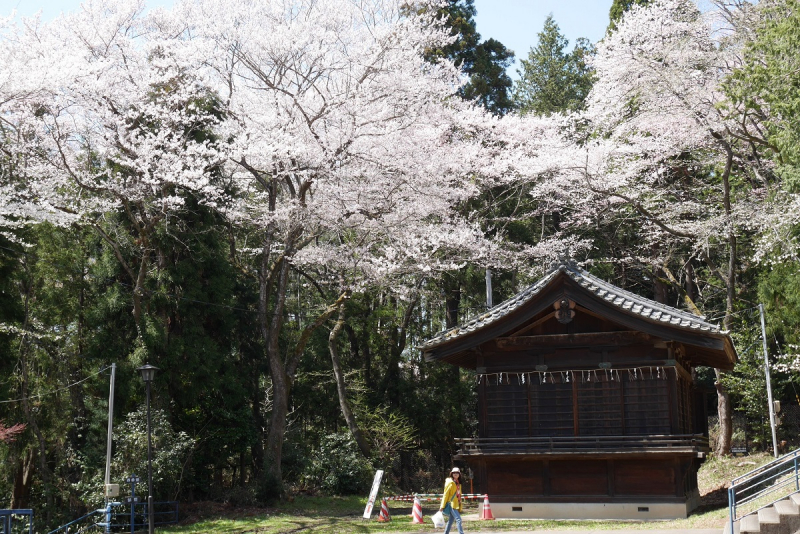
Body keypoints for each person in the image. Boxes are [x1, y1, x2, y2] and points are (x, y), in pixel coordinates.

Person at [439, 467, 464, 534]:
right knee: (458, 520)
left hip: (456, 504)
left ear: (459, 474)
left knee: (450, 521)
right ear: (452, 474)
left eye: (457, 473)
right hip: (451, 504)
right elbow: (445, 495)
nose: (456, 474)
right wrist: (442, 506)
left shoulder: (458, 483)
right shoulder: (450, 483)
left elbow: (459, 495)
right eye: (454, 473)